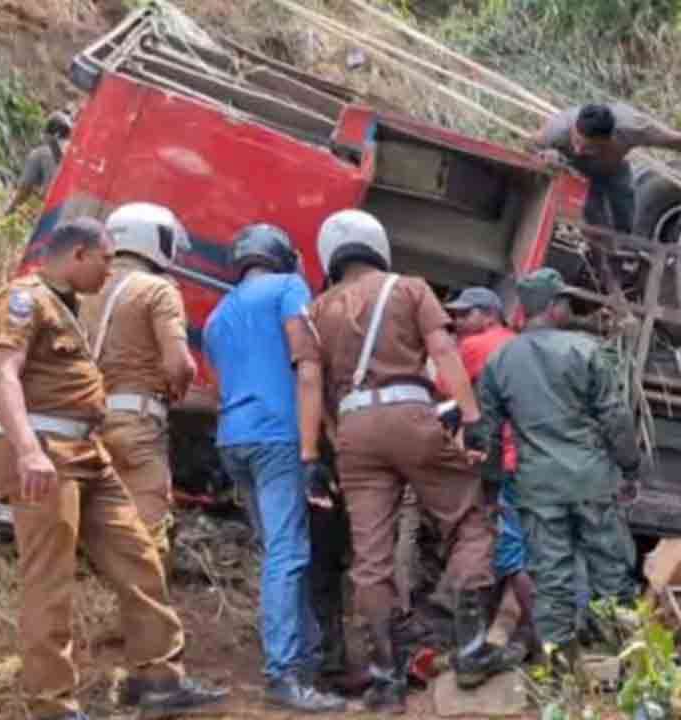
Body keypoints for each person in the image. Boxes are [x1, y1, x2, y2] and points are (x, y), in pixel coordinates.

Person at [0, 217, 227, 720]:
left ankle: (158, 678)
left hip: (88, 453)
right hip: (46, 456)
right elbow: (2, 373)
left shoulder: (69, 305)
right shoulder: (23, 299)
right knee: (50, 582)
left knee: (137, 556)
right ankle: (52, 705)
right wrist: (28, 451)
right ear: (78, 256)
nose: (111, 271)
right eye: (106, 260)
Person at [307, 209, 499, 708]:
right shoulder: (410, 288)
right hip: (410, 415)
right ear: (377, 246)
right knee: (468, 520)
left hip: (353, 431)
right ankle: (473, 646)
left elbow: (314, 386)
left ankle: (384, 678)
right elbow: (444, 351)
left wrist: (320, 449)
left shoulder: (319, 308)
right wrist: (472, 415)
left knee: (370, 560)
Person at [202, 224, 345, 712]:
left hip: (232, 439)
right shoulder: (288, 289)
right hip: (277, 437)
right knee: (288, 553)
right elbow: (307, 367)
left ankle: (305, 656)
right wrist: (311, 452)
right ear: (283, 256)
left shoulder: (219, 313)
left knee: (278, 551)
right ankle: (284, 674)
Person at [475, 268, 642, 667]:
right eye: (564, 302)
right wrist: (630, 468)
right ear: (551, 308)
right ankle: (622, 664)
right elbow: (615, 417)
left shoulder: (500, 361)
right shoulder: (584, 351)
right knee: (611, 575)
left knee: (552, 580)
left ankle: (560, 672)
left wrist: (490, 491)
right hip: (590, 481)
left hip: (537, 487)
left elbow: (488, 437)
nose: (569, 308)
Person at [79, 203, 194, 567]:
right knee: (147, 540)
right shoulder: (158, 290)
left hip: (83, 424)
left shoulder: (84, 289)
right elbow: (179, 363)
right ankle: (140, 619)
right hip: (137, 426)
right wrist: (179, 387)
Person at [444, 286, 537, 661]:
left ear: (489, 315)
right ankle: (516, 630)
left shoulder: (475, 347)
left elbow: (446, 392)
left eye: (466, 315)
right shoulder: (519, 346)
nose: (459, 321)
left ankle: (491, 634)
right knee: (524, 545)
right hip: (531, 455)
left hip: (502, 458)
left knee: (491, 539)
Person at [532, 103, 681, 234]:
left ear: (610, 139)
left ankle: (625, 253)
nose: (578, 150)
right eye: (576, 141)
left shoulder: (633, 128)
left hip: (614, 172)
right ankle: (603, 257)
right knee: (596, 222)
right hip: (577, 174)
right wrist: (543, 155)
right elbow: (530, 145)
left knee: (625, 217)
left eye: (588, 147)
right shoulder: (557, 129)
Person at [5, 112, 71, 216]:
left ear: (53, 134)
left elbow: (25, 191)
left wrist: (7, 213)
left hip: (51, 212)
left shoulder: (40, 153)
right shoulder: (74, 153)